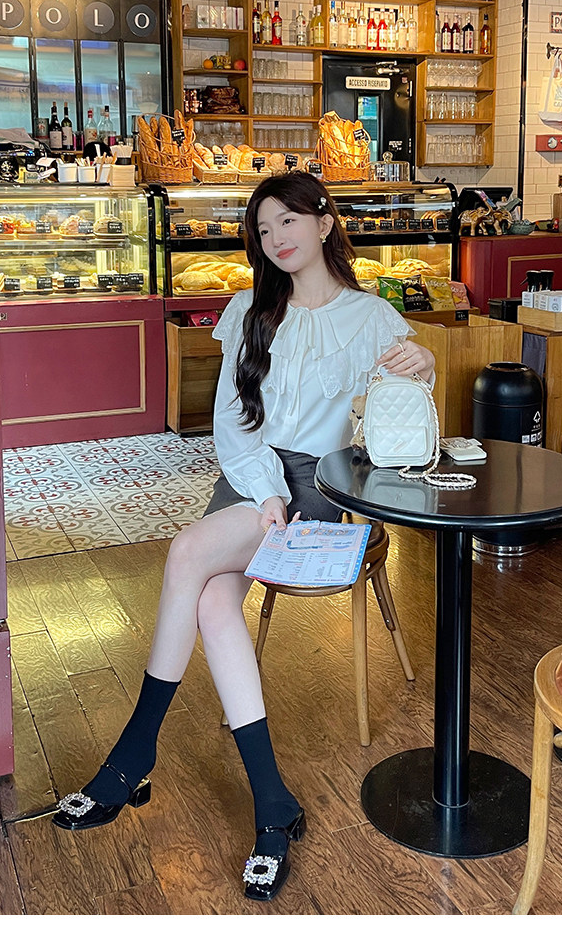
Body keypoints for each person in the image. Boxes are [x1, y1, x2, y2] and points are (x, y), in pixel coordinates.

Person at [52, 171, 435, 902]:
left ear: (324, 222)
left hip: (319, 487)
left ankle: (132, 756)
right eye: (263, 229)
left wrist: (425, 364)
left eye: (288, 220)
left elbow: (402, 414)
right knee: (210, 600)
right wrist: (262, 491)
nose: (276, 238)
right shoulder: (248, 311)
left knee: (187, 552)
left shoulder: (372, 317)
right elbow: (232, 422)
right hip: (251, 479)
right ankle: (272, 801)